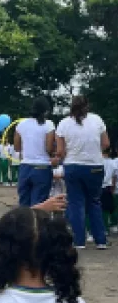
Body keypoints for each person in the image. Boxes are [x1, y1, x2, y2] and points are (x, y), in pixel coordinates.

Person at [56, 96, 109, 249]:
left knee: (76, 203)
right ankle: (100, 240)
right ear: (88, 106)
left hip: (73, 166)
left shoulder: (64, 123)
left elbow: (60, 151)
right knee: (94, 202)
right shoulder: (97, 120)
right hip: (95, 166)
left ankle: (79, 241)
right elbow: (105, 144)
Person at [14, 97, 56, 206]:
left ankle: (24, 223)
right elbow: (49, 148)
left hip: (25, 167)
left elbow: (17, 148)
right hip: (42, 167)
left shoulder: (21, 124)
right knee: (40, 204)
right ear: (46, 111)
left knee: (24, 203)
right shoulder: (49, 124)